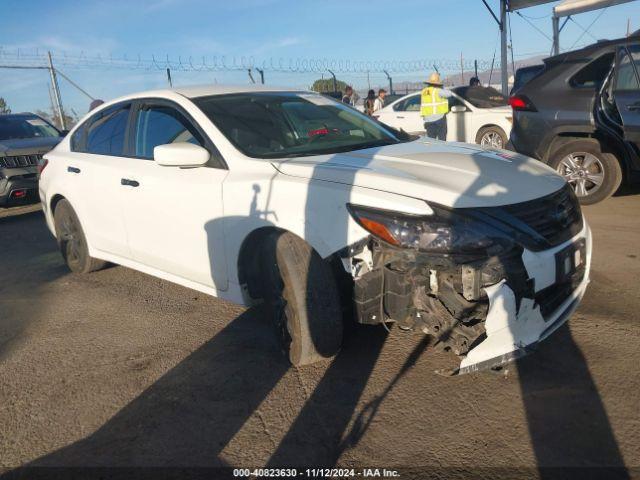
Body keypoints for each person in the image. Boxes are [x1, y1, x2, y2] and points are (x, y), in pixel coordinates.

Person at [421, 72, 453, 141]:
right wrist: (442, 87)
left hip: (428, 120)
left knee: (431, 142)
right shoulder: (438, 91)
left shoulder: (424, 92)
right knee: (442, 141)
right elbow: (449, 94)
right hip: (439, 118)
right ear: (437, 83)